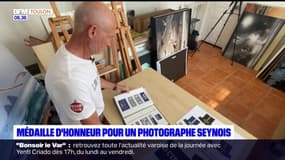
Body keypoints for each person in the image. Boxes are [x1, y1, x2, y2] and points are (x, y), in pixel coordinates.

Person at [45, 2, 129, 125]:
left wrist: (115, 86)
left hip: (96, 113)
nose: (109, 44)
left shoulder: (75, 53)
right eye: (109, 37)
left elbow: (91, 79)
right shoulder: (71, 79)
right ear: (93, 31)